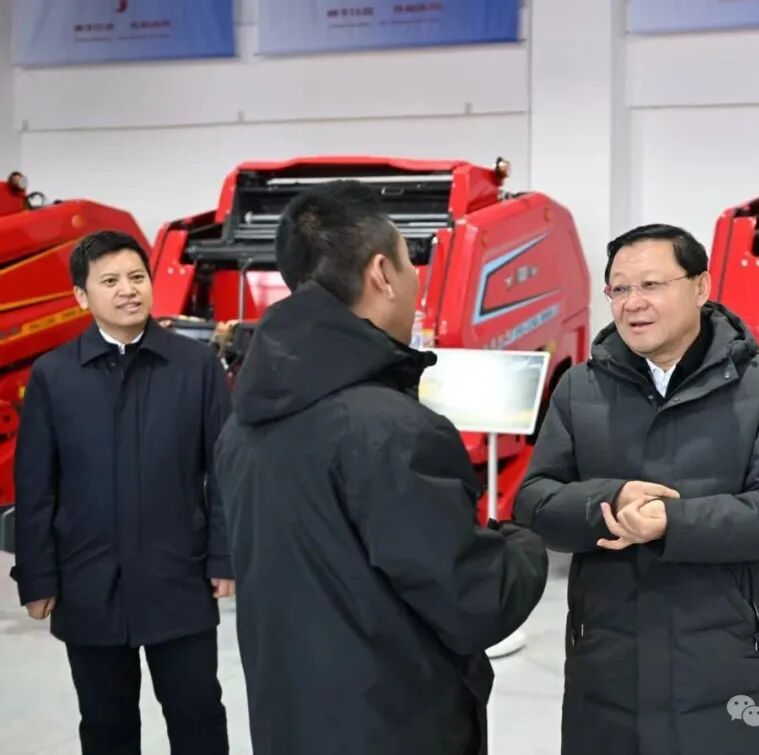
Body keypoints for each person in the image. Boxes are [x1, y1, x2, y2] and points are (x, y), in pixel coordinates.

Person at [214, 181, 549, 755]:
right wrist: (524, 540)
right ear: (381, 274)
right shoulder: (392, 430)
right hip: (396, 726)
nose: (416, 279)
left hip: (290, 723)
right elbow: (475, 600)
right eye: (409, 262)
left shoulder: (243, 426)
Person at [514, 223, 759, 755]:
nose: (633, 304)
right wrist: (609, 500)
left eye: (651, 285)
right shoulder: (580, 387)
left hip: (721, 653)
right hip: (606, 655)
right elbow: (534, 500)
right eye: (619, 289)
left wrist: (672, 522)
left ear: (701, 286)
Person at [11, 230, 232, 755]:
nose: (127, 290)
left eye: (136, 277)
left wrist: (224, 556)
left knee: (198, 715)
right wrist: (37, 576)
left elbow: (225, 470)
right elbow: (36, 485)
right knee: (105, 724)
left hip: (179, 575)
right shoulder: (54, 375)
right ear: (81, 296)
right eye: (109, 281)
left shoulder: (195, 367)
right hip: (88, 580)